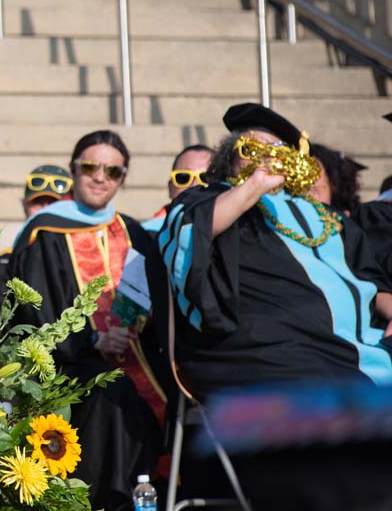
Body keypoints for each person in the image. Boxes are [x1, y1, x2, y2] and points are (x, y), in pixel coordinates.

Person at [157, 103, 392, 397]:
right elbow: (192, 230)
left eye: (277, 150)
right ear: (230, 158)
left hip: (359, 344)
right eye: (250, 149)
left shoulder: (326, 217)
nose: (265, 156)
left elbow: (373, 281)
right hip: (269, 347)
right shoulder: (210, 198)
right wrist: (255, 185)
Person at [9, 131, 168, 511]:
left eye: (112, 171)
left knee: (167, 396)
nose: (100, 177)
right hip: (66, 362)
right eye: (90, 167)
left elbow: (153, 300)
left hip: (135, 357)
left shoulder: (134, 233)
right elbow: (37, 308)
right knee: (110, 395)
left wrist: (135, 327)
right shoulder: (44, 231)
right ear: (74, 170)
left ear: (123, 178)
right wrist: (91, 340)